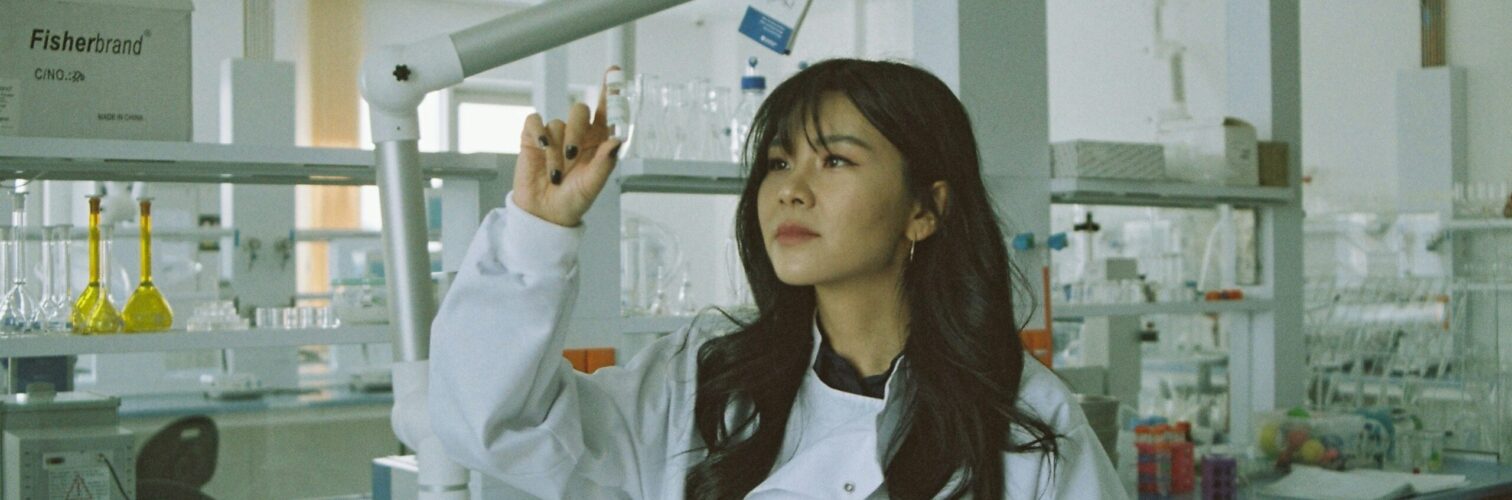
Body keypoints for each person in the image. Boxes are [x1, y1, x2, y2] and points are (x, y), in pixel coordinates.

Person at [429, 59, 1125, 499]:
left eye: (836, 162)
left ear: (925, 208)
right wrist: (536, 233)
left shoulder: (1024, 422)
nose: (790, 190)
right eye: (779, 162)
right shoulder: (702, 383)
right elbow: (492, 424)